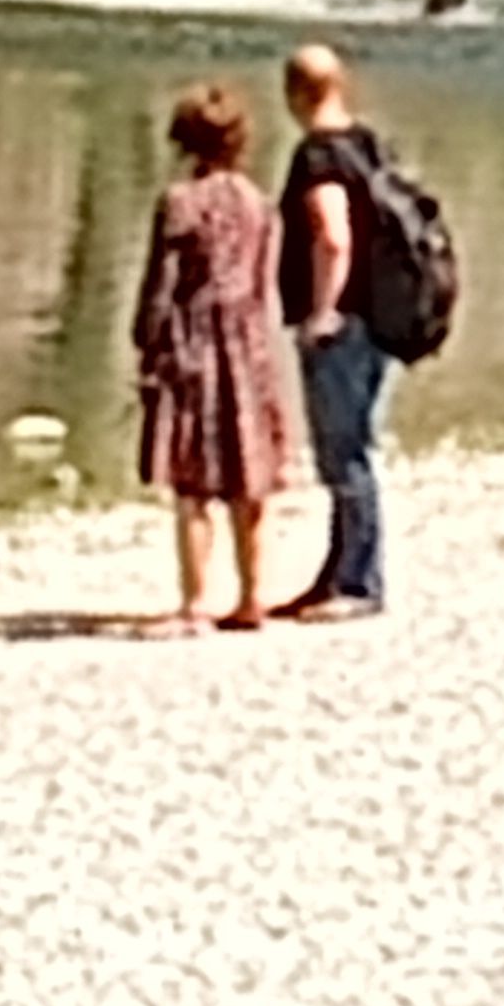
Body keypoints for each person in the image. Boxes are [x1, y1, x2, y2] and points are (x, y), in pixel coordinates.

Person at [132, 83, 300, 633]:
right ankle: (254, 597)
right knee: (250, 474)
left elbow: (163, 285)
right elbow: (264, 281)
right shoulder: (261, 205)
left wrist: (147, 343)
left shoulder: (180, 203)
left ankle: (197, 601)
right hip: (250, 343)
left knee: (193, 479)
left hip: (194, 343)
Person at [275, 41, 393, 620]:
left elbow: (333, 234)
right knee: (350, 447)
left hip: (342, 324)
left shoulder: (319, 156)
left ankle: (359, 582)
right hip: (378, 317)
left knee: (344, 453)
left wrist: (321, 312)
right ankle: (338, 571)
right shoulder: (369, 145)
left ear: (296, 92)